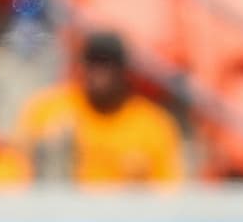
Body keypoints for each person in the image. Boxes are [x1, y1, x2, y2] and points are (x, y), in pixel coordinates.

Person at [15, 31, 183, 184]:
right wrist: (47, 149)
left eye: (107, 64)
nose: (98, 73)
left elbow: (168, 192)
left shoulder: (152, 123)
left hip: (125, 214)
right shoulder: (50, 109)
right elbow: (19, 170)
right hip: (63, 212)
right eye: (92, 63)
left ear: (124, 72)